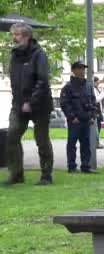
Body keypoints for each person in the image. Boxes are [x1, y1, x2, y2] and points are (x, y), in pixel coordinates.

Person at [4, 23, 54, 185]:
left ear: (27, 36)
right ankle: (16, 175)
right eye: (14, 34)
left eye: (17, 35)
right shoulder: (15, 56)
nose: (14, 38)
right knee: (12, 136)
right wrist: (18, 102)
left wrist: (30, 102)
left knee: (42, 140)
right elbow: (14, 82)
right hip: (19, 105)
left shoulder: (39, 55)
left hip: (39, 105)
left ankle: (46, 175)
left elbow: (43, 81)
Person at [60, 61, 98, 174]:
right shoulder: (68, 87)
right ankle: (71, 166)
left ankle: (86, 166)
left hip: (86, 120)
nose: (82, 71)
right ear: (73, 71)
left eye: (83, 69)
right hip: (75, 121)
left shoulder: (88, 86)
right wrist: (72, 117)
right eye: (80, 69)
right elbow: (65, 104)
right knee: (72, 144)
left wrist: (92, 116)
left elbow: (93, 102)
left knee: (86, 144)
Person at [93, 76, 104, 149]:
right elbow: (96, 100)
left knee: (98, 127)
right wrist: (103, 94)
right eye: (98, 82)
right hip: (96, 111)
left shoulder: (96, 89)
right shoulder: (93, 89)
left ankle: (96, 142)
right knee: (97, 128)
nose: (99, 83)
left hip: (98, 111)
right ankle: (96, 143)